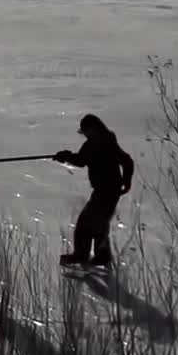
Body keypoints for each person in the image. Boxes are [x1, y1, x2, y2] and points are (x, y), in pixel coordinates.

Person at [53, 114, 134, 268]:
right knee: (99, 223)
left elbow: (127, 161)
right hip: (103, 190)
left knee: (86, 223)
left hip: (109, 190)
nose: (86, 134)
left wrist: (126, 181)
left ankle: (83, 256)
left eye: (86, 131)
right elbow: (81, 160)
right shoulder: (91, 144)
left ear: (94, 129)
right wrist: (65, 156)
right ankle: (101, 257)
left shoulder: (107, 143)